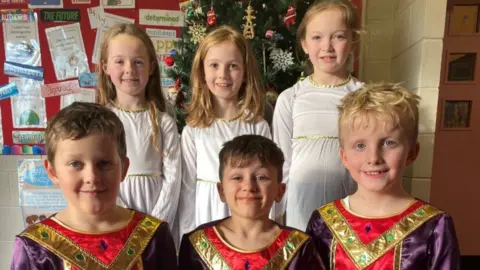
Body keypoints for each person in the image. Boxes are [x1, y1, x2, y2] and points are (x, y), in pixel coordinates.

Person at [306, 83, 461, 269]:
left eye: (389, 143)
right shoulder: (323, 222)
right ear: (344, 157)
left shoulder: (434, 226)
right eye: (360, 146)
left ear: (412, 153)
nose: (373, 158)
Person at [10, 102, 177, 269]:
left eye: (104, 163)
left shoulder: (153, 236)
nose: (92, 177)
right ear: (52, 172)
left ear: (124, 168)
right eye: (75, 164)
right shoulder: (35, 249)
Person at [272, 0, 364, 230]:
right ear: (304, 44)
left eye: (338, 36)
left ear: (353, 40)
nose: (327, 46)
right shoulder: (290, 99)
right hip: (300, 208)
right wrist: (278, 212)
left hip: (351, 207)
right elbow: (281, 163)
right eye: (317, 37)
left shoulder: (364, 97)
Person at [178, 25, 273, 240]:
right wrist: (186, 235)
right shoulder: (194, 130)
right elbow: (188, 189)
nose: (223, 75)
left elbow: (266, 181)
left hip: (247, 216)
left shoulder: (257, 126)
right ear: (202, 71)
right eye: (214, 65)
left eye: (233, 66)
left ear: (245, 72)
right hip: (205, 217)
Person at [179, 135, 325, 269]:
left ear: (280, 191)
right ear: (221, 190)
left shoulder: (299, 247)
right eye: (237, 177)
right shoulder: (196, 244)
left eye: (262, 177)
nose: (249, 186)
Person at [97, 23, 182, 245]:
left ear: (151, 67)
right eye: (120, 61)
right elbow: (99, 173)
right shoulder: (101, 121)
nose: (130, 69)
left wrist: (154, 225)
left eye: (138, 62)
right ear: (105, 67)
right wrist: (122, 216)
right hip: (114, 213)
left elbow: (173, 177)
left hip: (157, 212)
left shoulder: (163, 121)